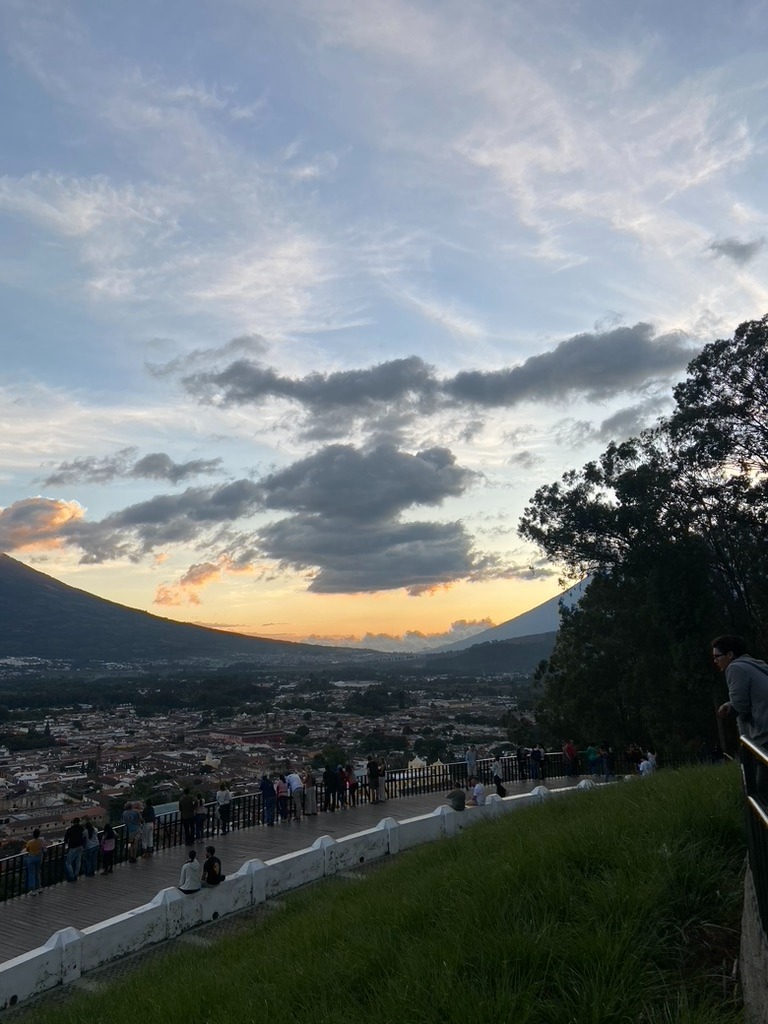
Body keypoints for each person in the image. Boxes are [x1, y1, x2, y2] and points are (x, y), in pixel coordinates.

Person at [24, 828, 46, 894]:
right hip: (39, 858)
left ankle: (32, 889)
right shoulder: (41, 841)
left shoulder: (30, 842)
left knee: (31, 873)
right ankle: (39, 887)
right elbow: (44, 848)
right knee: (37, 872)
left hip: (31, 858)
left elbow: (27, 850)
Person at [63, 817, 85, 882]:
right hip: (80, 846)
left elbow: (65, 839)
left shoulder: (70, 829)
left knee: (68, 863)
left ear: (73, 822)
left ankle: (71, 876)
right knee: (78, 861)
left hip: (73, 847)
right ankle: (76, 875)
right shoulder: (81, 828)